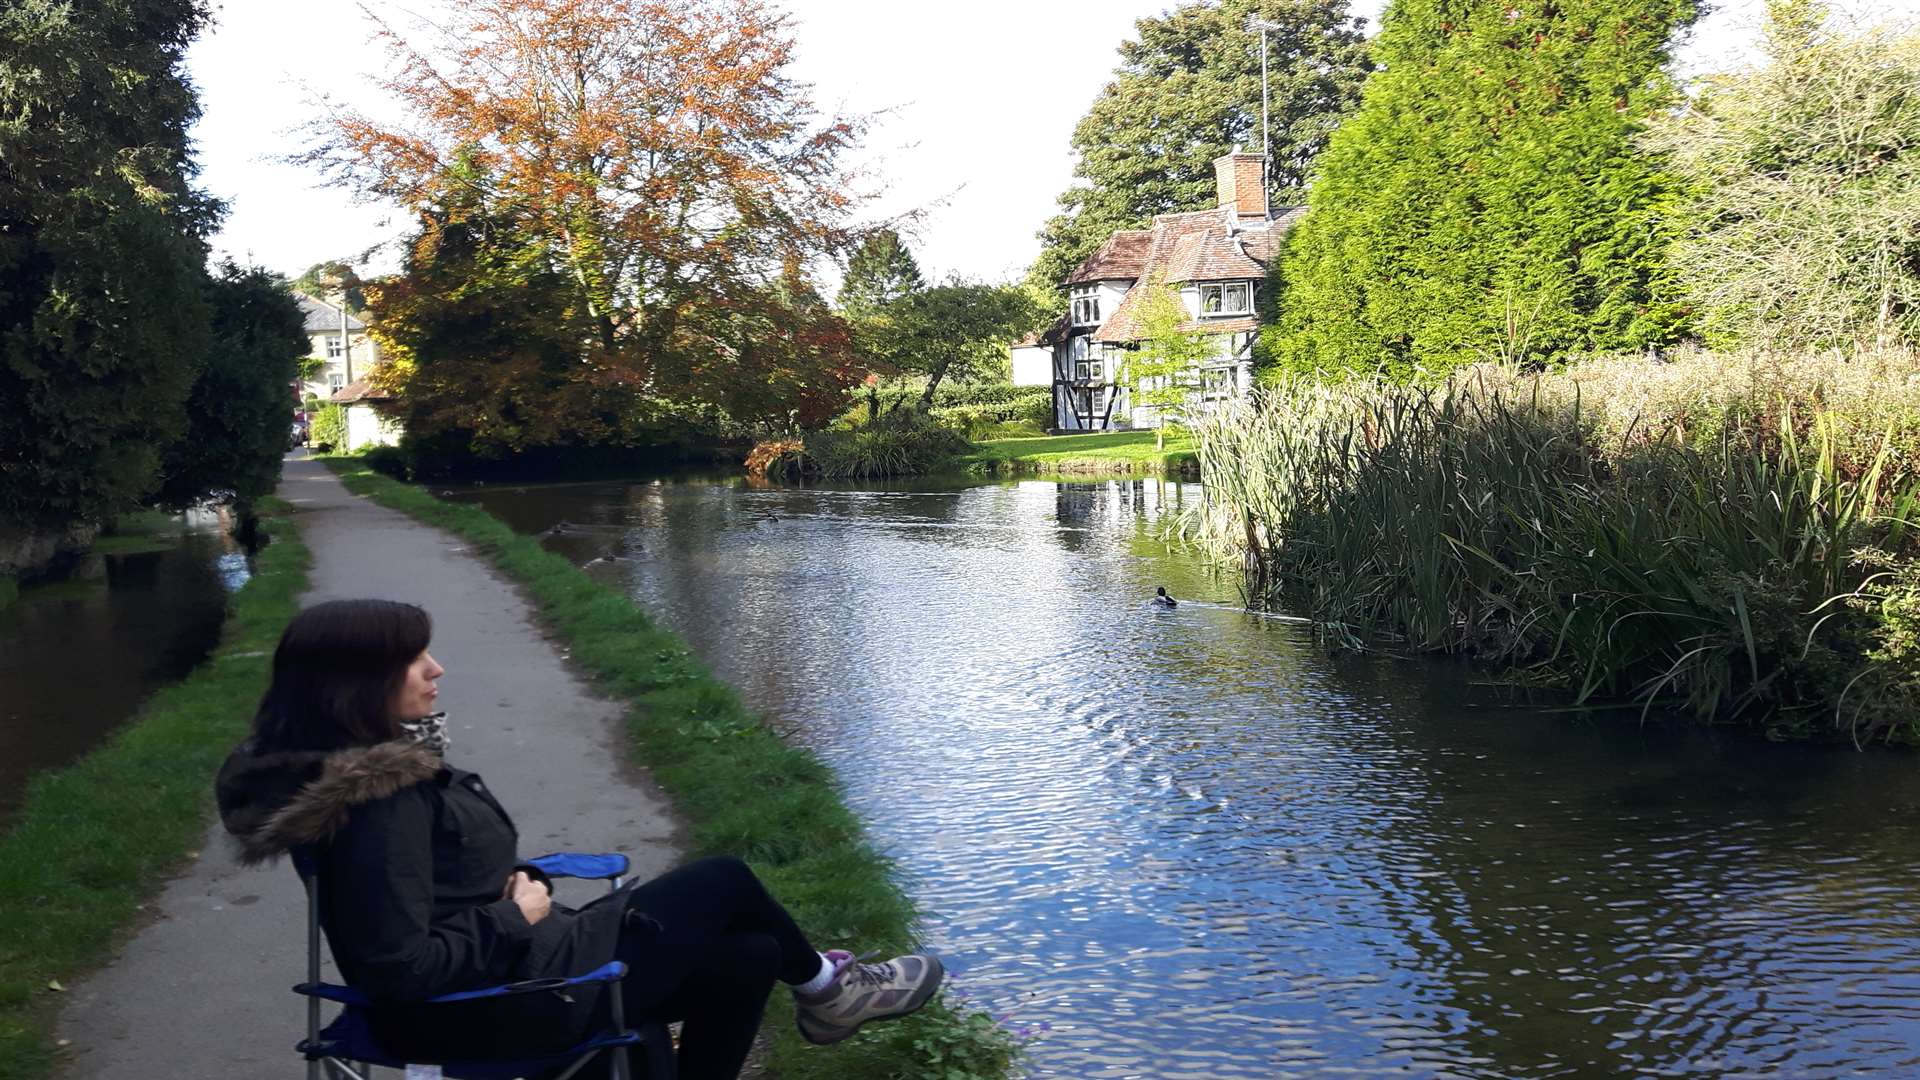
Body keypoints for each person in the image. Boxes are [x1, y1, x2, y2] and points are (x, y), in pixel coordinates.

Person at [216, 599, 941, 1079]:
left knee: (747, 955)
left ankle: (823, 988)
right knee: (722, 880)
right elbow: (397, 969)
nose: (436, 670)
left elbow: (429, 887)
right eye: (414, 660)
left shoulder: (364, 776)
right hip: (487, 1006)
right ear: (356, 683)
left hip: (506, 974)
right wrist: (517, 912)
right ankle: (830, 991)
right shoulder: (379, 799)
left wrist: (516, 882)